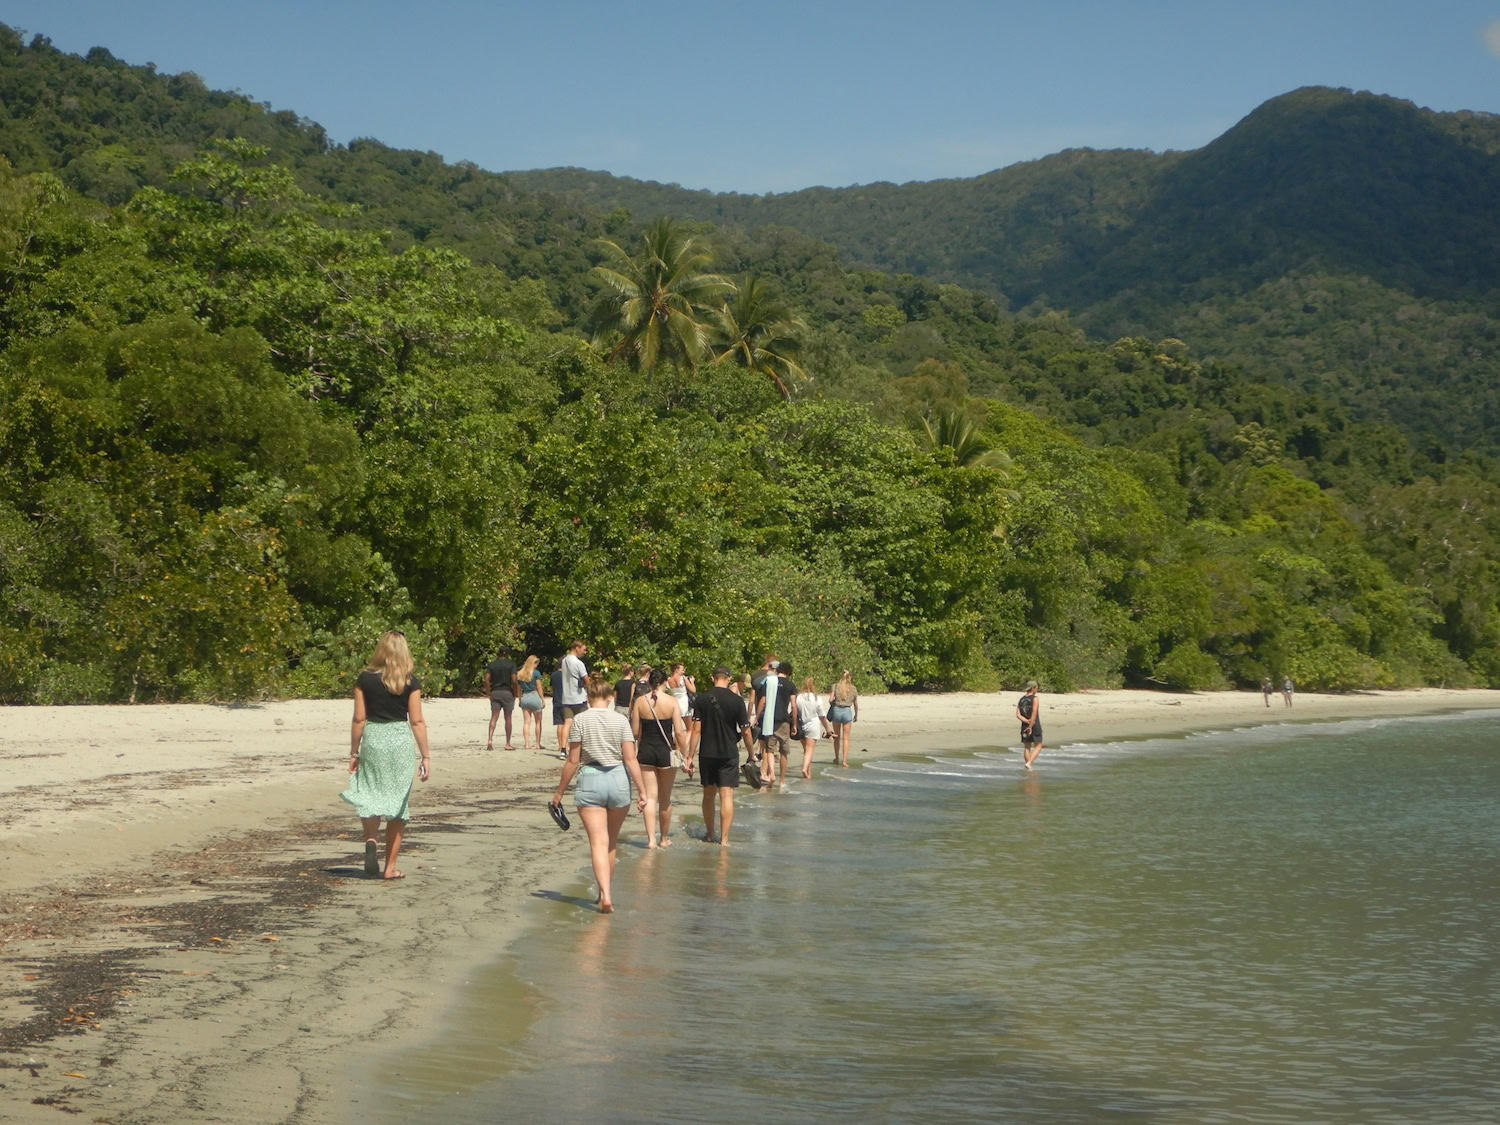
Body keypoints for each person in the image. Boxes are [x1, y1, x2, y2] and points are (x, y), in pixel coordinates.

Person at [551, 674, 646, 914]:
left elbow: (573, 761)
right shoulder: (621, 720)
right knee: (610, 843)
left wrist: (559, 793)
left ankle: (604, 895)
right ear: (610, 697)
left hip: (591, 778)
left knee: (598, 843)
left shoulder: (580, 720)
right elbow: (630, 759)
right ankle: (606, 894)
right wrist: (642, 791)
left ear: (588, 697)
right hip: (618, 780)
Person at [341, 631, 430, 881]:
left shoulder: (364, 679)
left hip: (374, 739)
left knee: (370, 793)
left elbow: (359, 719)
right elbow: (417, 721)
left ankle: (371, 839)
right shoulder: (410, 681)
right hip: (399, 741)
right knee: (398, 803)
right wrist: (425, 756)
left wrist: (354, 752)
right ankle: (390, 868)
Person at [688, 665, 748, 845]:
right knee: (726, 796)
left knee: (708, 795)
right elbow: (745, 731)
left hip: (707, 752)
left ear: (712, 678)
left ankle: (709, 833)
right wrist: (752, 753)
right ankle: (724, 839)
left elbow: (696, 730)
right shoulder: (737, 701)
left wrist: (690, 756)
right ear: (729, 678)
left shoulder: (702, 699)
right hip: (728, 753)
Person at [630, 667, 686, 848]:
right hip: (665, 752)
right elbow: (679, 732)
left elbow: (635, 732)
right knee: (665, 799)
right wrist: (685, 755)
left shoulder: (640, 701)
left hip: (645, 751)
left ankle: (651, 840)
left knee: (649, 797)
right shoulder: (672, 701)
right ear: (665, 682)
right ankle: (663, 838)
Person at [754, 659, 799, 788]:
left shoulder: (769, 681)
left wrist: (757, 717)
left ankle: (772, 774)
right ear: (789, 673)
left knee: (770, 749)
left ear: (778, 670)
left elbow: (763, 700)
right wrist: (794, 724)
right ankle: (782, 780)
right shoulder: (790, 685)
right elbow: (794, 706)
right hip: (783, 720)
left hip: (770, 719)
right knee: (784, 751)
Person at [482, 646, 520, 751]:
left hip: (495, 692)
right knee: (508, 718)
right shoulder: (511, 665)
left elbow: (486, 680)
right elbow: (514, 680)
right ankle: (507, 743)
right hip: (507, 693)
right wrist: (515, 694)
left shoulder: (492, 665)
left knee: (494, 717)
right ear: (507, 654)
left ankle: (490, 741)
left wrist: (488, 692)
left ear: (498, 653)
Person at [795, 675, 830, 780]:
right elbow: (822, 716)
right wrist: (827, 728)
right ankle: (805, 769)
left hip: (801, 724)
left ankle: (808, 774)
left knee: (806, 751)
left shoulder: (798, 697)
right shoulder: (816, 698)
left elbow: (795, 711)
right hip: (813, 725)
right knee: (809, 750)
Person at [559, 640, 590, 748]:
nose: (584, 652)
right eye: (584, 649)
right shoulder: (578, 663)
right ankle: (583, 747)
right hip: (579, 698)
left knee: (567, 723)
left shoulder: (564, 661)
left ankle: (563, 748)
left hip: (566, 697)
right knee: (583, 723)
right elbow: (587, 680)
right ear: (577, 648)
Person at [828, 670, 859, 766]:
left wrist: (835, 701)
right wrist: (856, 714)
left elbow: (830, 700)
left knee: (836, 737)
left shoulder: (835, 686)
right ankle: (844, 761)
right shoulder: (853, 688)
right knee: (846, 738)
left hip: (837, 711)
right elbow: (855, 703)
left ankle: (837, 758)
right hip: (847, 711)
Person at [517, 655, 546, 750]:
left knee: (526, 722)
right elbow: (539, 687)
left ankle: (527, 744)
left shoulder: (520, 673)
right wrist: (542, 699)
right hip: (534, 696)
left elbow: (518, 689)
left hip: (525, 696)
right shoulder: (536, 673)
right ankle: (537, 743)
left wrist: (520, 699)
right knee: (538, 722)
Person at [1017, 680, 1044, 770]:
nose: (1037, 689)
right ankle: (1029, 763)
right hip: (1034, 725)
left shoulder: (1021, 699)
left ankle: (1029, 767)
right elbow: (1034, 713)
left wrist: (1026, 722)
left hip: (1024, 725)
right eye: (1036, 688)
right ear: (1033, 688)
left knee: (1027, 747)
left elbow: (1018, 715)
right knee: (1038, 745)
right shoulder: (1035, 698)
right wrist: (1030, 726)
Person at [550, 658, 567, 758]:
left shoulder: (553, 675)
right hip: (566, 701)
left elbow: (552, 686)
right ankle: (565, 745)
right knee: (567, 724)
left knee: (559, 724)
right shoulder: (567, 675)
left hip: (556, 701)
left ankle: (560, 745)